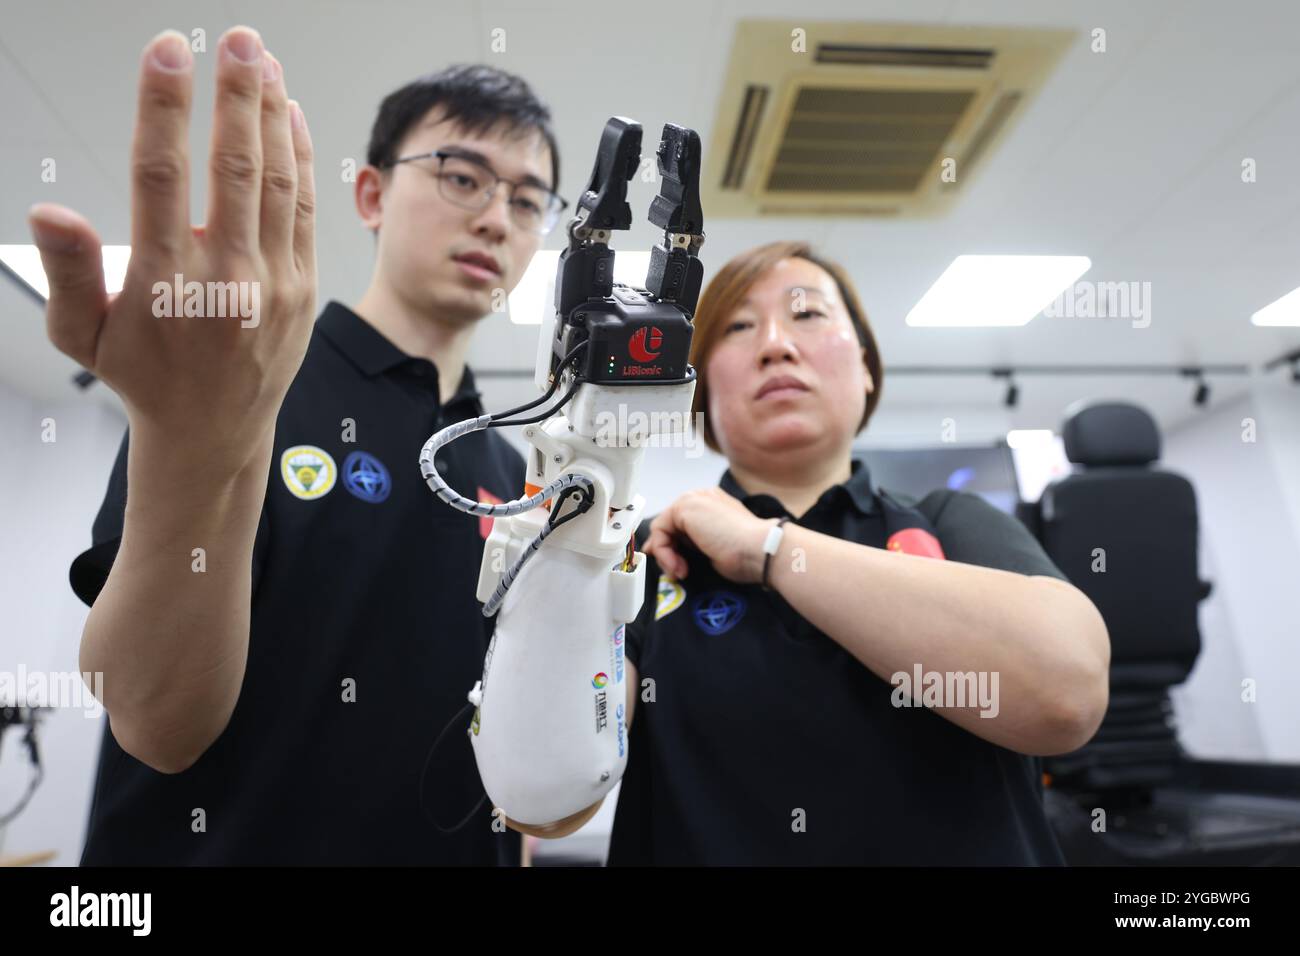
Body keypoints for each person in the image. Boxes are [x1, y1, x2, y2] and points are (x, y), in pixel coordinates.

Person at [28, 25, 565, 864]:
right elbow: (154, 721)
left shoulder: (511, 473)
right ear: (372, 195)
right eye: (463, 177)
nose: (497, 218)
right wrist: (190, 443)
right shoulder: (239, 382)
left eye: (528, 201)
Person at [603, 240, 1111, 864]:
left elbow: (1067, 696)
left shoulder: (951, 525)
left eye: (808, 314)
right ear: (700, 390)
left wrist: (769, 548)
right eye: (737, 327)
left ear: (867, 365)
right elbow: (547, 795)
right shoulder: (647, 555)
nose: (774, 344)